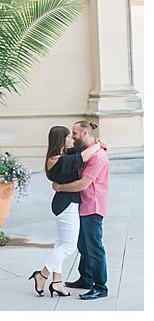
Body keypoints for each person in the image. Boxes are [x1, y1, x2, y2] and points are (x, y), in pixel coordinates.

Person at [29, 125, 101, 297]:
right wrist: (99, 144)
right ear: (61, 139)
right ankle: (42, 275)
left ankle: (57, 283)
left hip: (64, 203)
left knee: (60, 244)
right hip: (67, 205)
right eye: (68, 137)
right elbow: (83, 156)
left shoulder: (59, 156)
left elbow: (79, 151)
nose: (71, 139)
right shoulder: (59, 160)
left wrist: (95, 142)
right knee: (68, 247)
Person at [52, 120, 110, 300]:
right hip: (82, 205)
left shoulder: (98, 156)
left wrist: (60, 188)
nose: (72, 137)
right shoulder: (83, 152)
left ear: (84, 134)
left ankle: (100, 287)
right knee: (82, 246)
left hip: (93, 206)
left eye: (74, 134)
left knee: (94, 247)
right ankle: (86, 279)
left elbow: (83, 183)